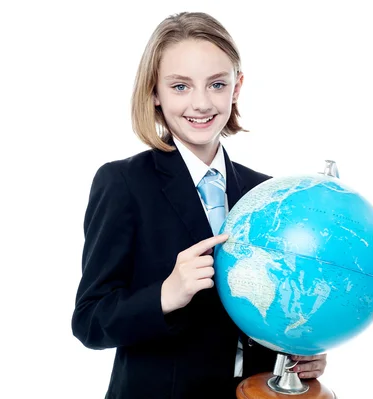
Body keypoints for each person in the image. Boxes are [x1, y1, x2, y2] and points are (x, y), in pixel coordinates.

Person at [71, 11, 327, 398]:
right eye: (180, 87)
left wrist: (300, 351)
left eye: (217, 84)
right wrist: (167, 294)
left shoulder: (266, 193)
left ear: (236, 88)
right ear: (154, 92)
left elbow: (274, 302)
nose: (202, 103)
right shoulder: (123, 183)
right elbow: (90, 321)